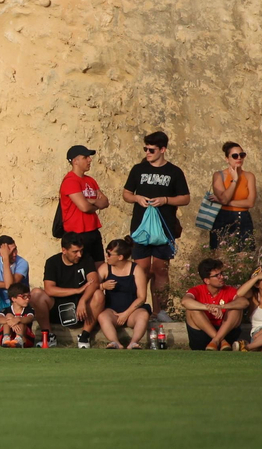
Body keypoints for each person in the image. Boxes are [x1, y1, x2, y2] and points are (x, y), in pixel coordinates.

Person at [121, 131, 191, 321]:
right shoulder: (138, 169)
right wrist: (137, 198)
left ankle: (160, 311)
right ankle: (140, 308)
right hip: (141, 228)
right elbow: (126, 193)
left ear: (163, 150)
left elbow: (185, 198)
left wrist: (166, 200)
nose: (147, 152)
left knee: (161, 269)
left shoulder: (174, 172)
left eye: (151, 149)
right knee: (141, 269)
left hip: (164, 228)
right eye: (145, 149)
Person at [182, 259, 262, 351]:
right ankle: (220, 340)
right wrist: (208, 308)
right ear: (207, 280)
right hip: (203, 336)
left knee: (236, 308)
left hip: (225, 330)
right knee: (192, 309)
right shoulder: (197, 290)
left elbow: (244, 302)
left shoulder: (229, 290)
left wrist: (221, 307)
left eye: (221, 274)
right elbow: (185, 301)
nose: (221, 277)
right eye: (217, 276)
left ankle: (216, 340)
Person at [41, 233, 102, 348]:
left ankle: (85, 335)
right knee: (36, 294)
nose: (79, 255)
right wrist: (77, 290)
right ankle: (48, 336)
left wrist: (83, 300)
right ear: (64, 250)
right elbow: (49, 289)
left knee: (98, 294)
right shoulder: (52, 262)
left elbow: (94, 282)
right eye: (75, 252)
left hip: (82, 306)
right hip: (58, 304)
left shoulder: (86, 259)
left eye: (81, 250)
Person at [94, 238, 151, 349]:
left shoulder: (136, 269)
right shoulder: (105, 268)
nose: (107, 256)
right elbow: (92, 286)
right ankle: (115, 342)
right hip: (112, 310)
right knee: (102, 316)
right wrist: (102, 286)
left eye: (109, 254)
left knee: (143, 315)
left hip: (132, 311)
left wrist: (126, 313)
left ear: (120, 257)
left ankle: (133, 343)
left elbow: (142, 297)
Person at [58, 145, 109, 268]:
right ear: (75, 161)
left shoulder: (90, 180)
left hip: (93, 230)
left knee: (99, 265)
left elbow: (105, 202)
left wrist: (90, 201)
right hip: (77, 233)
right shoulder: (70, 181)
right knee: (81, 267)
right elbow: (84, 207)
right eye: (85, 157)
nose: (89, 160)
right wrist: (94, 202)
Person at [0, 236, 33, 347]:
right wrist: (5, 284)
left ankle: (18, 339)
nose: (15, 254)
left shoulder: (22, 263)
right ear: (0, 252)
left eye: (15, 250)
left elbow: (12, 286)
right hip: (0, 302)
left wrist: (6, 260)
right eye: (10, 252)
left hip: (17, 304)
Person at [208, 141, 257, 251]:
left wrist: (223, 201)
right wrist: (234, 180)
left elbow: (250, 202)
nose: (239, 158)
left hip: (243, 218)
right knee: (221, 258)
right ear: (227, 159)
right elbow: (224, 198)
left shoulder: (249, 176)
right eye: (235, 156)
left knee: (243, 259)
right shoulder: (219, 175)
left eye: (242, 155)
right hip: (223, 217)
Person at [0, 281, 39, 347]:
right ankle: (6, 339)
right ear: (14, 299)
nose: (27, 299)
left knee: (21, 322)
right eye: (24, 297)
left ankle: (19, 339)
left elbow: (29, 318)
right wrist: (10, 321)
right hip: (9, 333)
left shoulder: (29, 309)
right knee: (8, 316)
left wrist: (18, 319)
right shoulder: (7, 310)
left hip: (25, 338)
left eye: (28, 296)